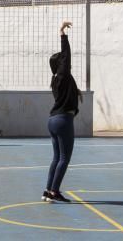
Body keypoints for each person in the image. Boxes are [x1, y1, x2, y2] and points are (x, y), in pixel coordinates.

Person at [43, 21, 81, 203]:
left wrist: (76, 92)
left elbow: (68, 91)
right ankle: (54, 192)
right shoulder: (63, 74)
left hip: (53, 120)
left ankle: (48, 190)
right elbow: (67, 56)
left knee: (57, 157)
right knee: (64, 158)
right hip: (63, 120)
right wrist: (62, 33)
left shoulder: (57, 80)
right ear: (60, 64)